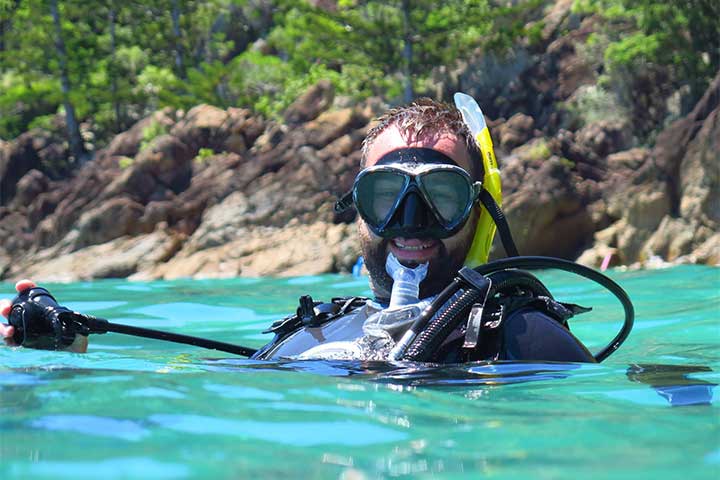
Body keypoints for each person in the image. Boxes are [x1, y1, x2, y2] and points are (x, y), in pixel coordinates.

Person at [0, 99, 595, 363]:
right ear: (356, 205)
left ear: (479, 208)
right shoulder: (320, 334)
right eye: (386, 197)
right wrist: (74, 346)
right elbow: (210, 382)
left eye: (439, 198)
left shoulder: (519, 337)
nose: (410, 224)